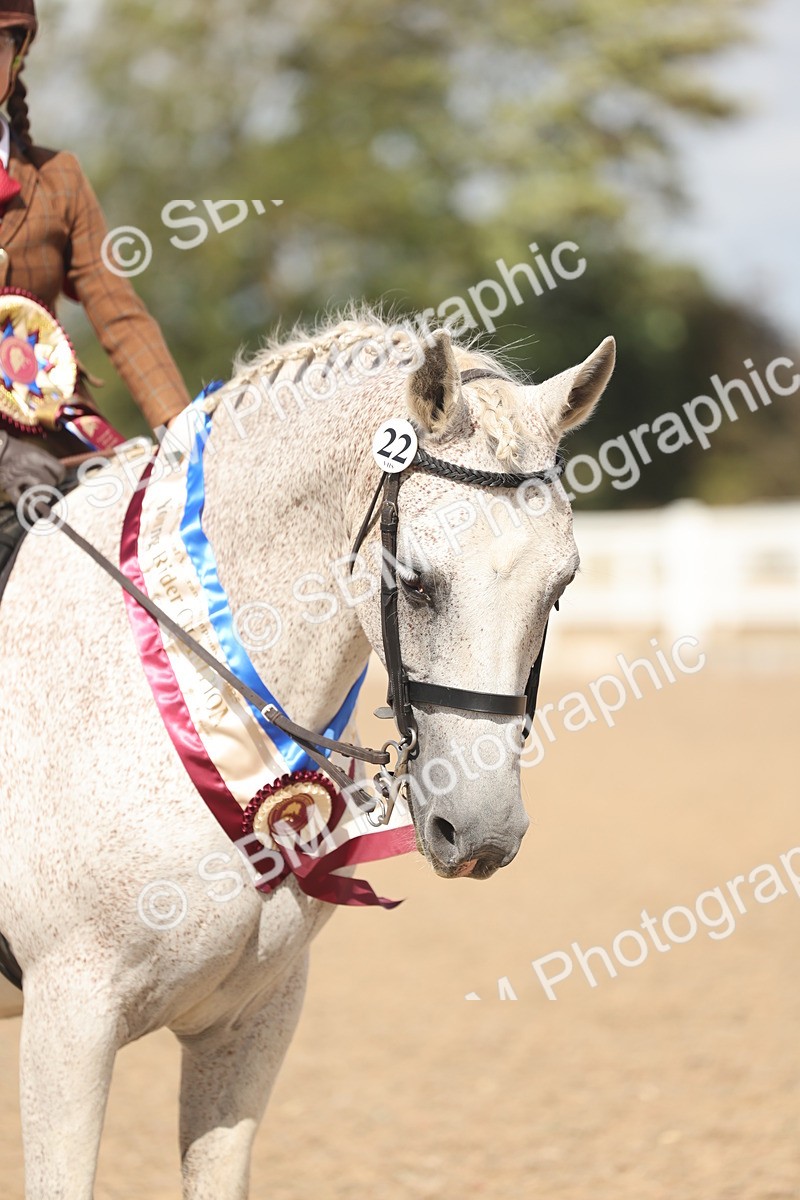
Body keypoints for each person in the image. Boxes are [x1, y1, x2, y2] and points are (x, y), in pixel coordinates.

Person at [0, 0, 191, 577]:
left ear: (16, 55)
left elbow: (120, 316)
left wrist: (186, 434)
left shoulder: (60, 179)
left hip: (59, 442)